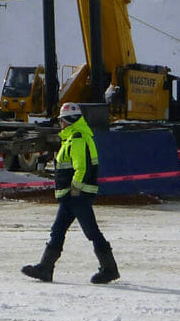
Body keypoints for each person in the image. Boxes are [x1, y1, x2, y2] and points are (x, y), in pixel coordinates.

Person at [22, 103, 119, 284]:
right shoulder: (73, 138)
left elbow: (81, 167)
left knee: (91, 231)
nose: (60, 124)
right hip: (71, 195)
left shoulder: (77, 139)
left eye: (61, 120)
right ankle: (45, 268)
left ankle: (109, 269)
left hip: (77, 195)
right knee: (57, 231)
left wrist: (76, 187)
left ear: (68, 121)